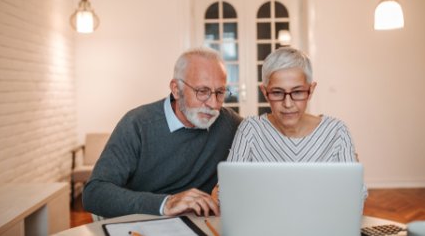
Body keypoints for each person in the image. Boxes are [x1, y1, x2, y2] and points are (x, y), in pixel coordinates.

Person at [82, 47, 242, 218]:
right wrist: (166, 203)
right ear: (176, 89)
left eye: (220, 92)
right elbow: (94, 193)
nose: (213, 103)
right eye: (202, 91)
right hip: (142, 223)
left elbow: (265, 134)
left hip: (198, 225)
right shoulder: (138, 124)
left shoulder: (228, 122)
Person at [226, 47, 359, 163]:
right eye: (277, 93)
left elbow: (354, 191)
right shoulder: (250, 129)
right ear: (265, 92)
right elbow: (228, 189)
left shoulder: (336, 132)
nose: (288, 104)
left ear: (311, 90)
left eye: (297, 92)